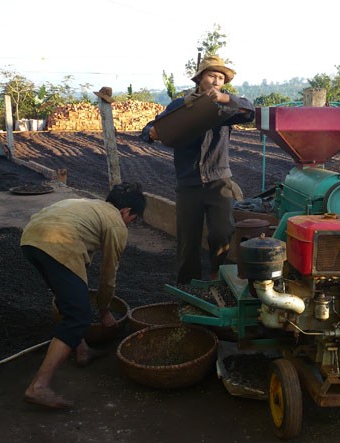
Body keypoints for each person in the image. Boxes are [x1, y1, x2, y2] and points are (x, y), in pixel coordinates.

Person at [20, 182, 146, 409]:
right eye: (133, 219)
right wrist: (105, 311)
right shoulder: (116, 224)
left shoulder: (91, 206)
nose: (130, 223)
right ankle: (38, 386)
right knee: (79, 316)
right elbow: (109, 274)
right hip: (56, 243)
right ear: (126, 212)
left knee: (68, 300)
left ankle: (82, 350)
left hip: (30, 238)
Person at [141, 55, 255, 284]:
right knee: (187, 239)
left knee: (222, 232)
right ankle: (188, 285)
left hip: (218, 180)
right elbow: (152, 127)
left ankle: (218, 275)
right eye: (212, 75)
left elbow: (249, 111)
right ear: (200, 78)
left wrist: (224, 98)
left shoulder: (224, 109)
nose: (216, 81)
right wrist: (151, 132)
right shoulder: (181, 106)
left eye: (221, 78)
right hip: (189, 182)